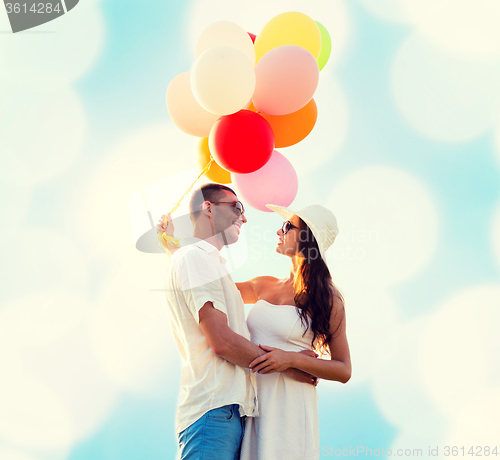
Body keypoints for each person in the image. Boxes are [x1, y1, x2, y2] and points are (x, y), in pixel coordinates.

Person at [161, 184, 317, 460]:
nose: (244, 217)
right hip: (213, 412)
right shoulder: (195, 258)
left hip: (228, 413)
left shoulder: (206, 263)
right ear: (208, 208)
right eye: (237, 207)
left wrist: (173, 247)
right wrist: (289, 365)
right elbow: (221, 341)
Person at [237, 204, 352, 460]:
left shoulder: (327, 297)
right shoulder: (263, 284)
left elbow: (344, 369)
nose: (280, 231)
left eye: (288, 226)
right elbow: (211, 289)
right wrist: (177, 249)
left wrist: (291, 360)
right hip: (251, 400)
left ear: (307, 237)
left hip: (290, 405)